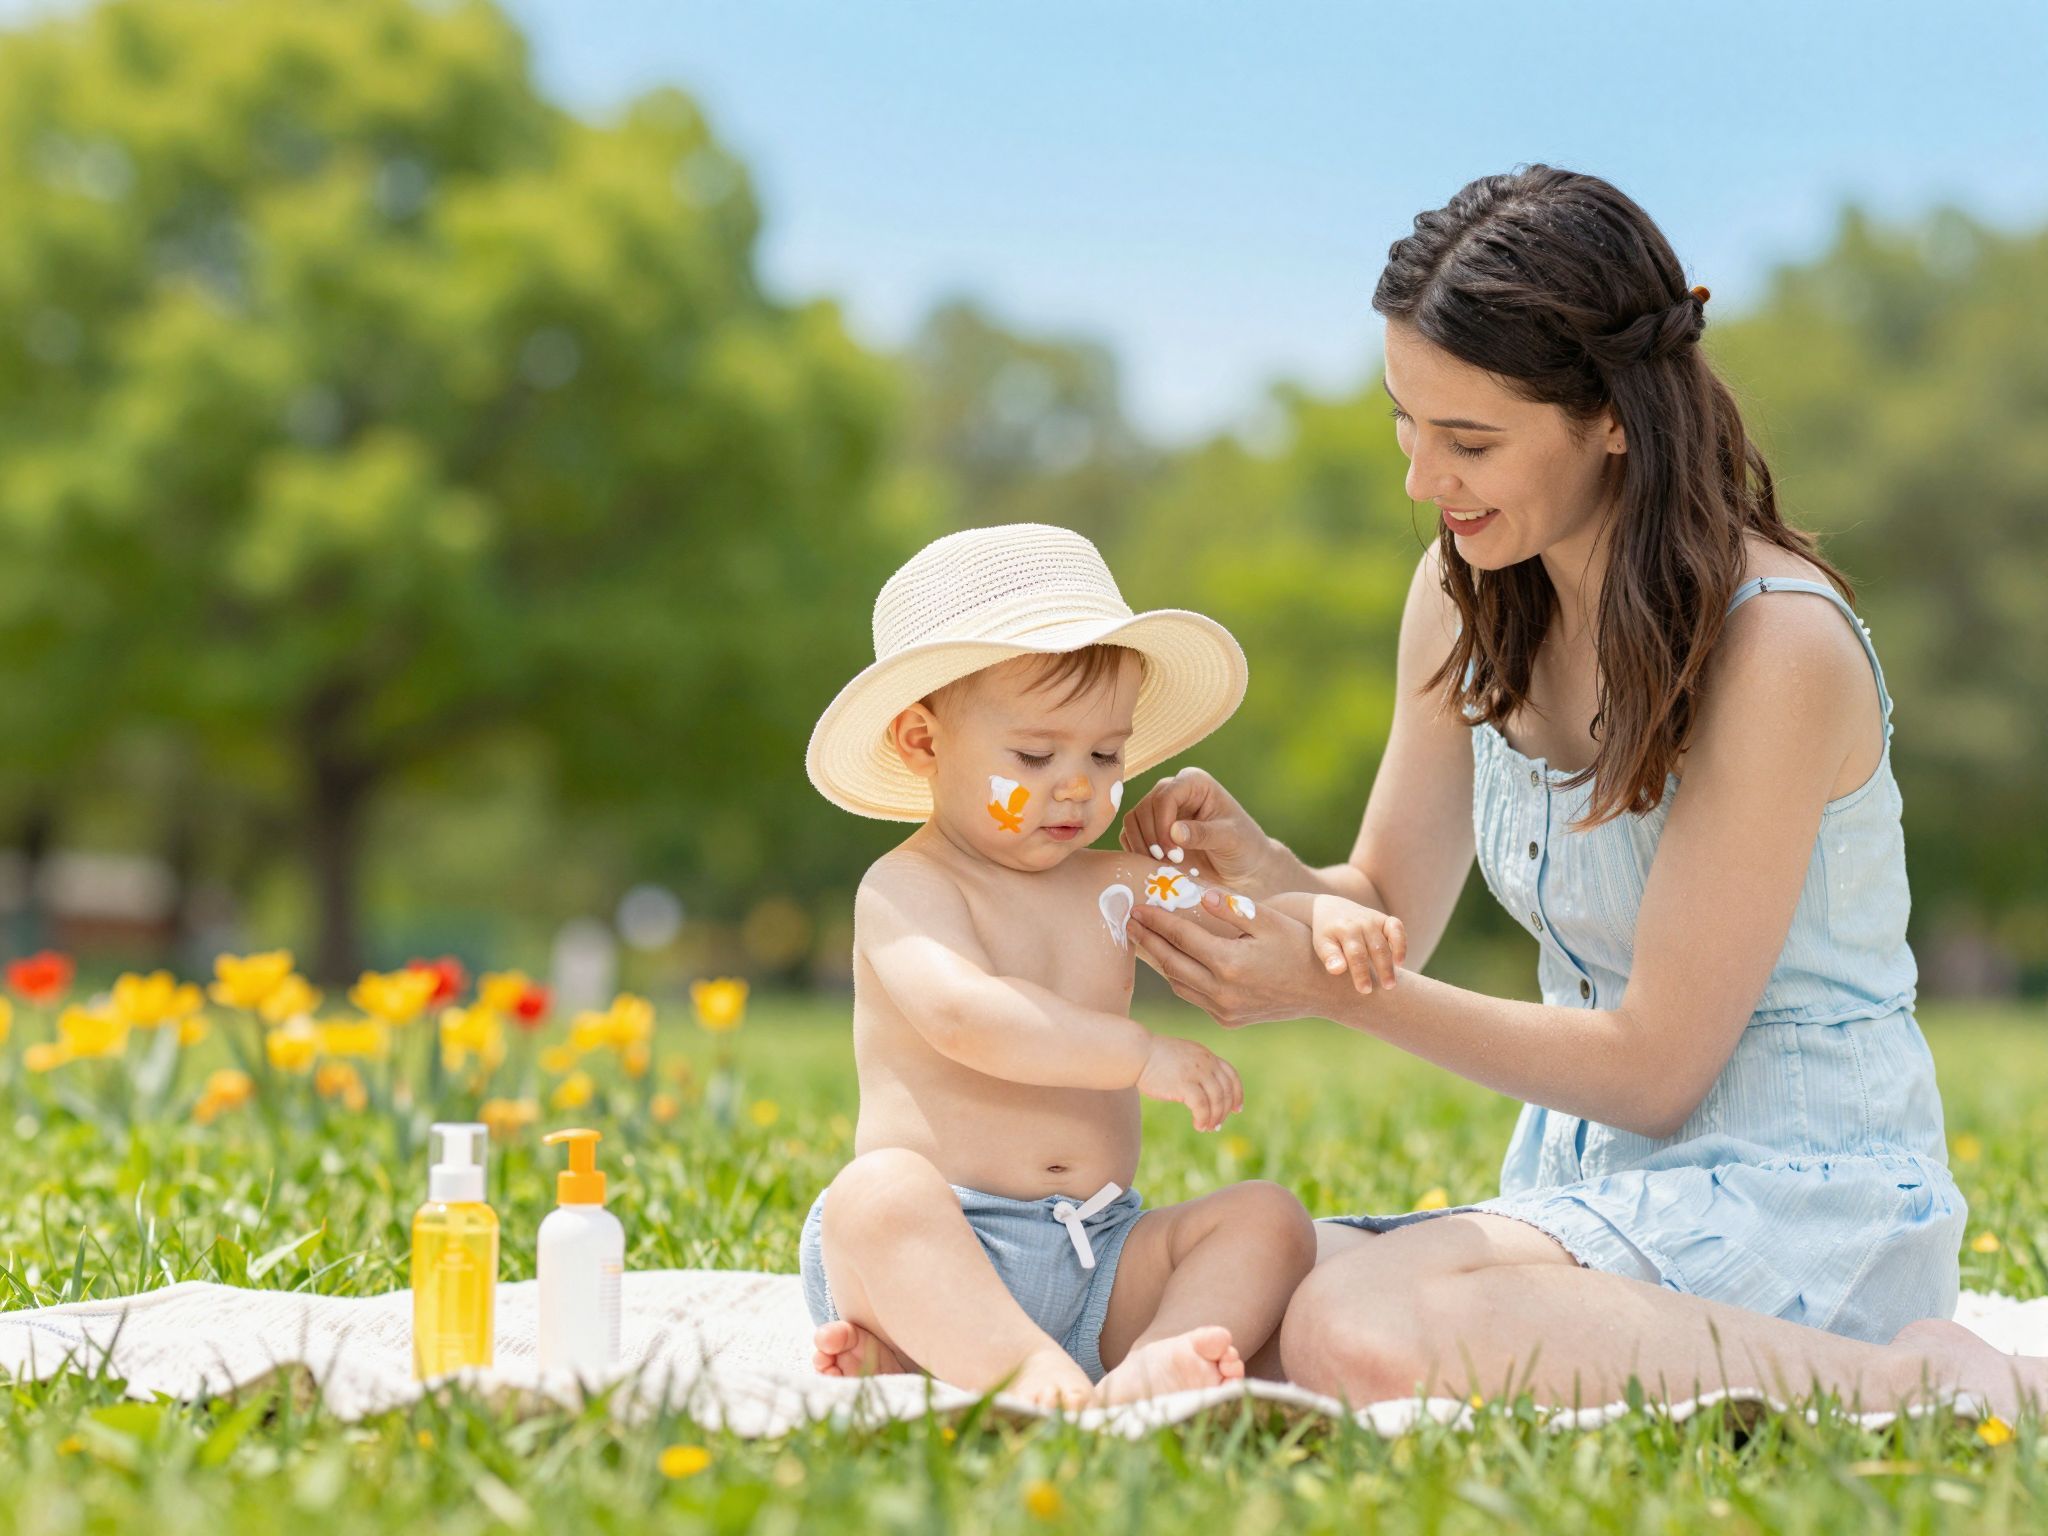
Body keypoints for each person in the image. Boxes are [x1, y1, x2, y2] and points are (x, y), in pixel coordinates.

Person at [1120, 165, 2045, 1416]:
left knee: (1357, 1322)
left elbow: (1655, 1066)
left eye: (1468, 441)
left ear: (1611, 414)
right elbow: (1384, 895)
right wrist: (1272, 884)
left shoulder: (1777, 648)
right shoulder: (1464, 591)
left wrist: (1330, 993)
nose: (1421, 481)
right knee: (1247, 1278)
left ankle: (1908, 1381)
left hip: (1804, 1193)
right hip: (1594, 1191)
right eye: (1405, 425)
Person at [798, 523, 1316, 1409]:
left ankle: (1152, 1354)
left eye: (1105, 755)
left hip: (1099, 1253)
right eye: (1036, 757)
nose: (1078, 786)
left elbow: (1245, 925)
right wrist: (1138, 1054)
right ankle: (1017, 1368)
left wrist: (1306, 901)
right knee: (875, 1198)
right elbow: (969, 1016)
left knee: (1269, 1217)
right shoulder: (906, 889)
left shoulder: (1116, 883)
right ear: (923, 744)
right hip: (947, 1238)